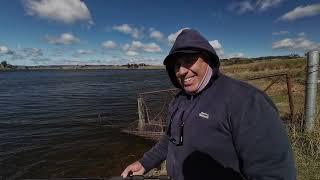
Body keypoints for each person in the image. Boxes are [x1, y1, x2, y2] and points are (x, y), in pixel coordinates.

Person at [121, 29, 296, 180]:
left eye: (188, 60)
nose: (181, 71)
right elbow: (170, 139)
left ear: (207, 59)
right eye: (177, 65)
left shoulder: (247, 101)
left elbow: (273, 171)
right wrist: (144, 163)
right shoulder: (179, 100)